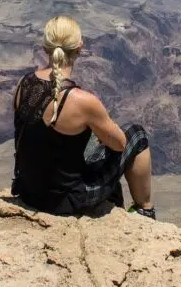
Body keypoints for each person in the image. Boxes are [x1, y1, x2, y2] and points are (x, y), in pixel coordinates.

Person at [11, 14, 156, 220]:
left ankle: (118, 203)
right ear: (79, 47)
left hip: (28, 192)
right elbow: (120, 145)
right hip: (65, 201)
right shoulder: (82, 100)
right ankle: (145, 210)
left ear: (45, 48)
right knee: (137, 136)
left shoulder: (23, 85)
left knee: (92, 150)